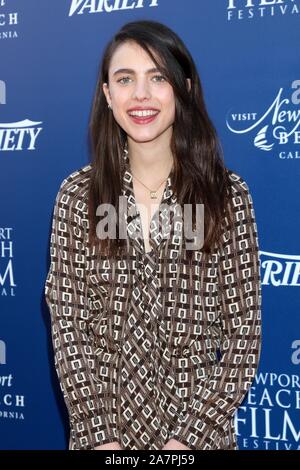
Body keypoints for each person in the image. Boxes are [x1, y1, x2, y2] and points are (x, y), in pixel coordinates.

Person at [44, 19, 262, 451]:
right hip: (102, 435)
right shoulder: (80, 195)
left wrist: (185, 444)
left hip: (198, 435)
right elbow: (68, 326)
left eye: (157, 77)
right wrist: (101, 439)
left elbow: (243, 335)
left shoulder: (225, 195)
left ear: (184, 87)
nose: (140, 95)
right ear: (108, 95)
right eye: (125, 79)